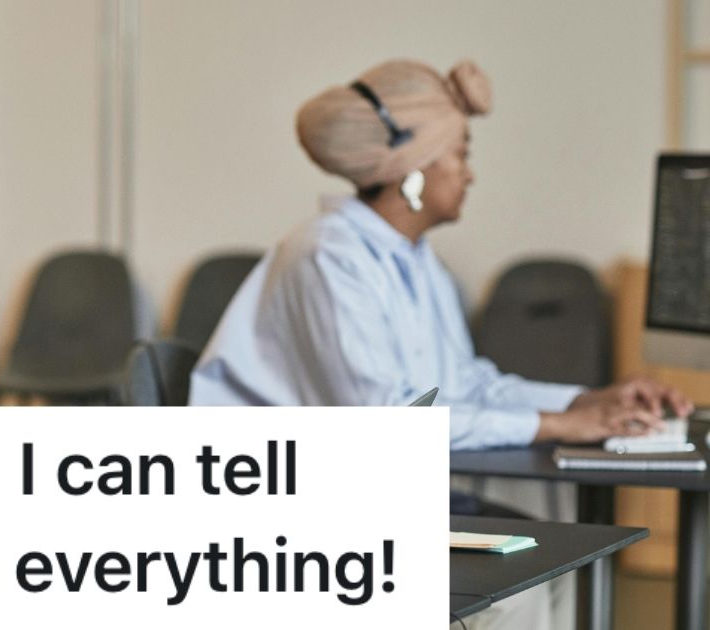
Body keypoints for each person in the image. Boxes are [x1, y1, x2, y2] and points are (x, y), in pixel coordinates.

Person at [189, 58, 691, 448]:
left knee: (545, 555)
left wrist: (587, 401)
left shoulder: (416, 259)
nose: (469, 174)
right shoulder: (328, 257)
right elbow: (392, 422)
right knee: (530, 560)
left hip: (361, 491)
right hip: (275, 505)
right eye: (462, 154)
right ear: (416, 168)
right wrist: (558, 425)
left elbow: (464, 385)